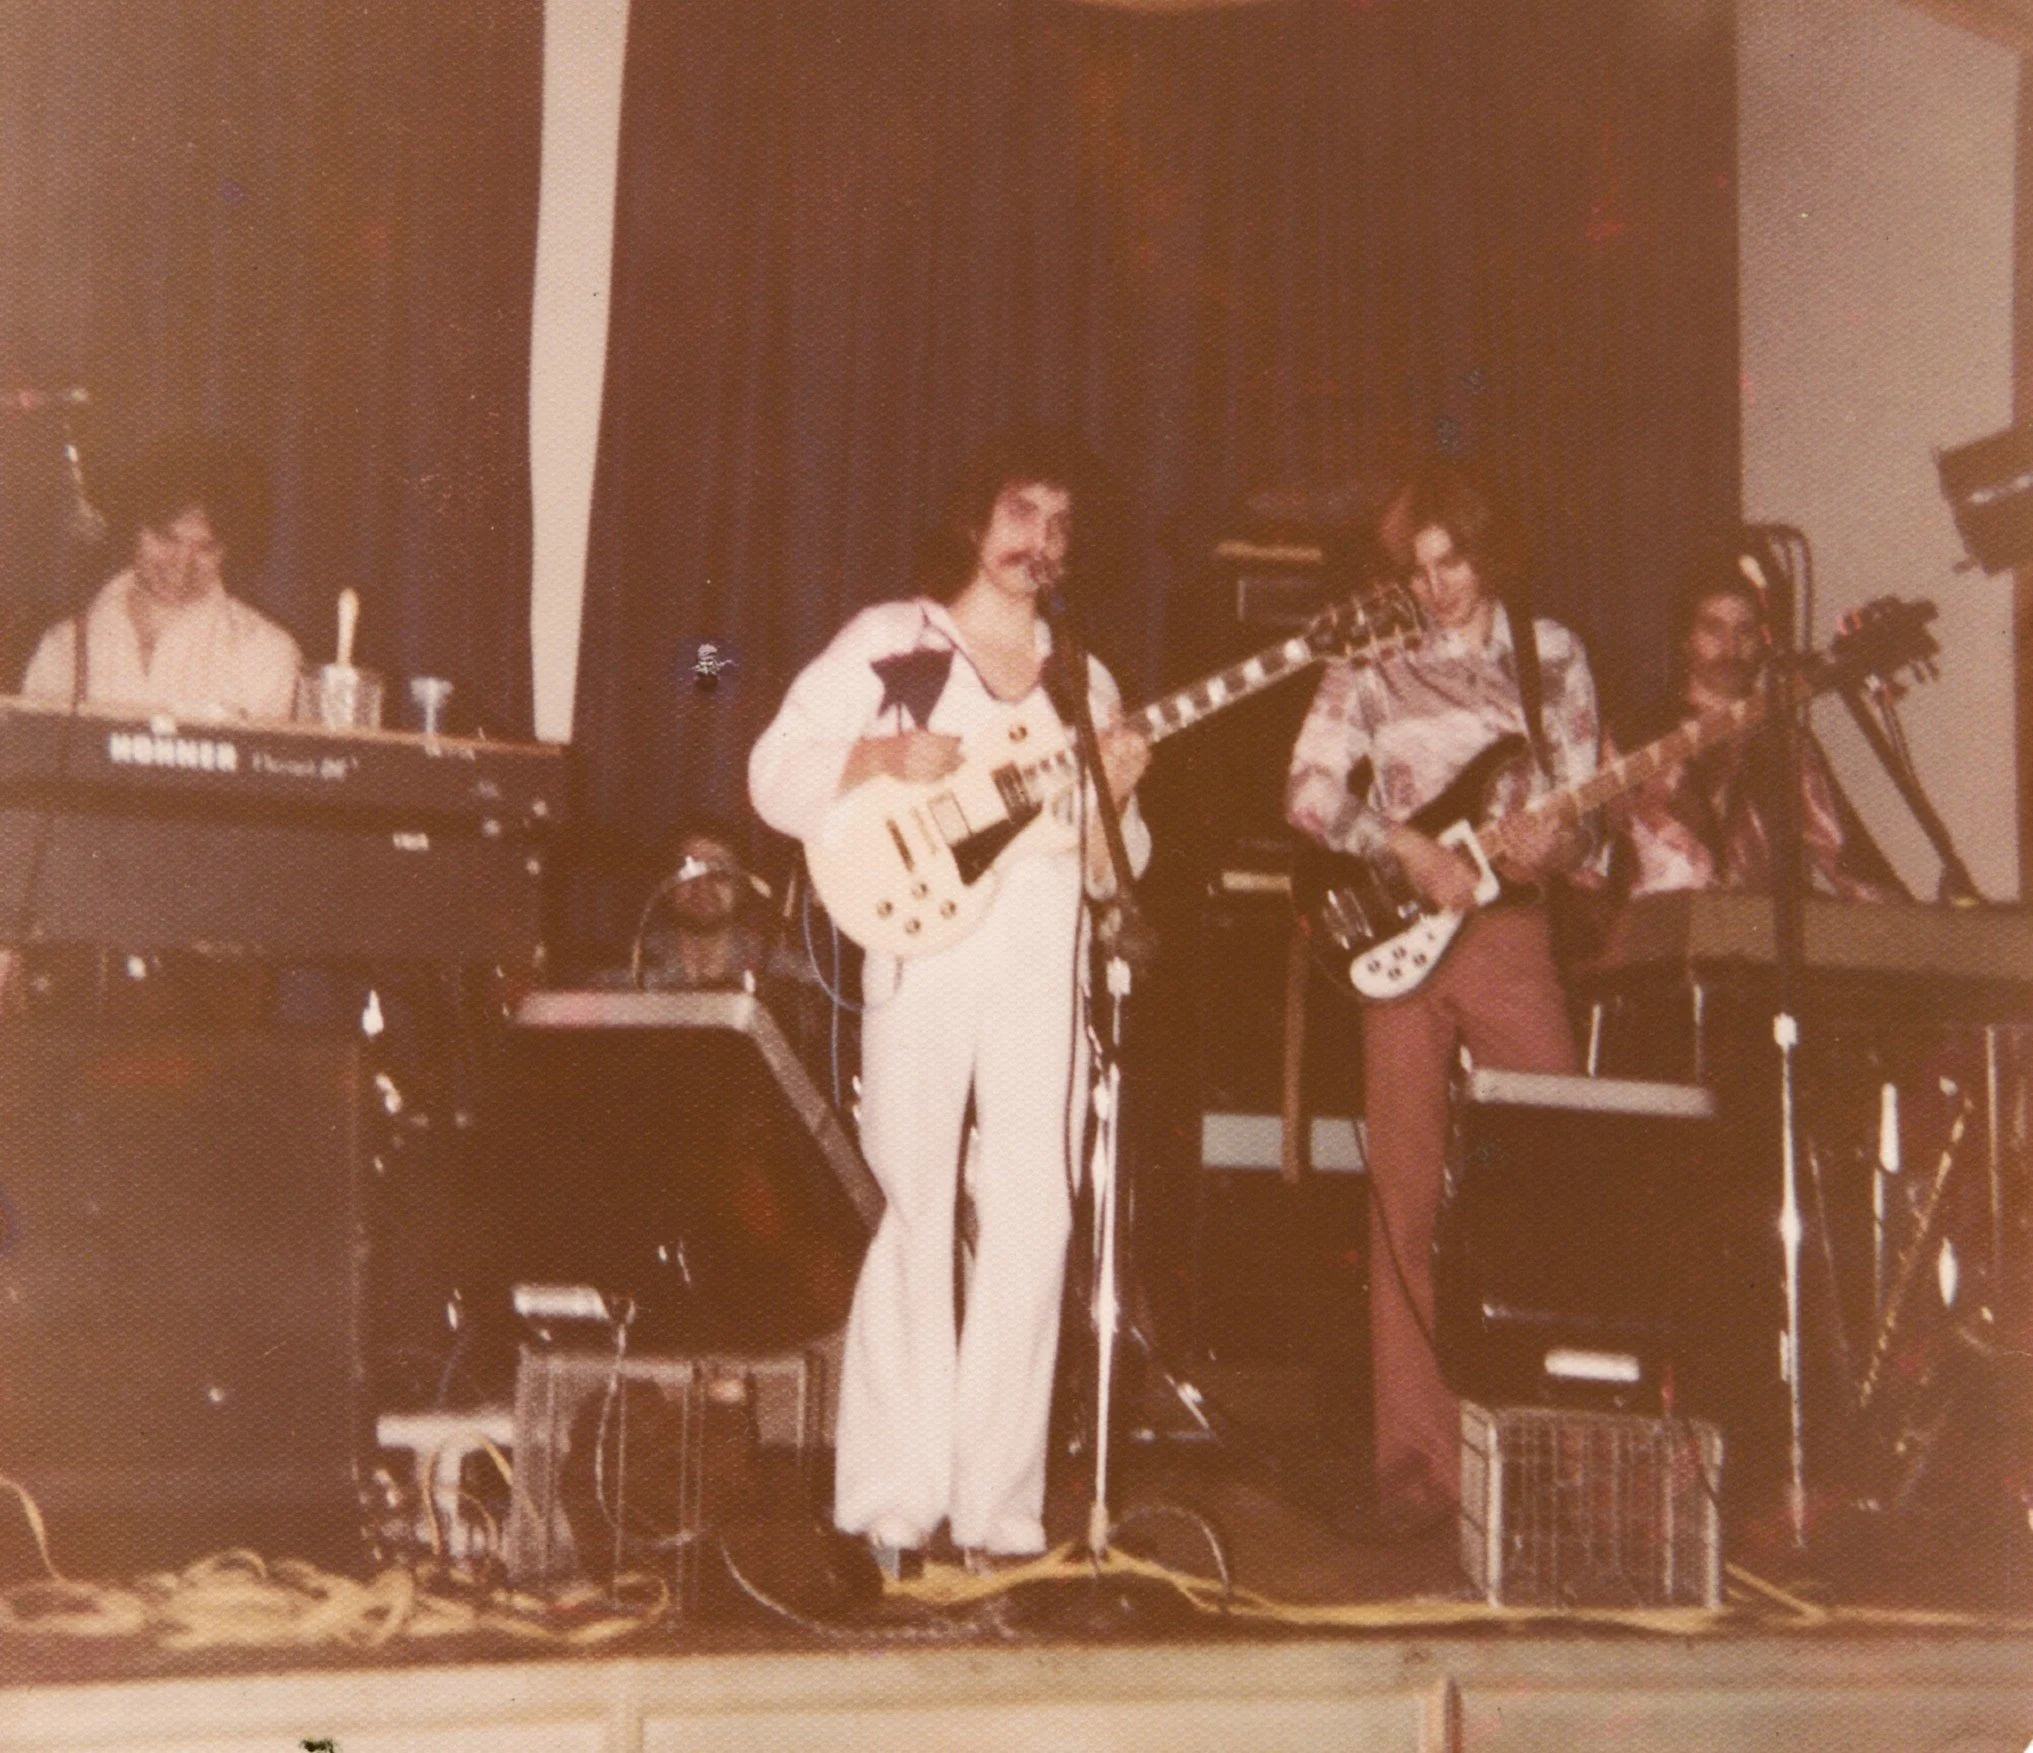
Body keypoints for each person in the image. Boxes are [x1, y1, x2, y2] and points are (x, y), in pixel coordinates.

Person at [748, 422, 1151, 1572]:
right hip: (917, 941)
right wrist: (872, 761)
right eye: (1022, 511)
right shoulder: (892, 639)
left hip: (1040, 948)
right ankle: (892, 1494)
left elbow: (1115, 869)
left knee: (1037, 1208)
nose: (1042, 539)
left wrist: (1122, 798)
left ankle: (997, 1506)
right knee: (903, 1199)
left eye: (1061, 522)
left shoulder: (1084, 678)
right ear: (976, 518)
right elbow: (772, 771)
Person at [1286, 461, 1600, 1540]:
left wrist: (1563, 839)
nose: (1435, 586)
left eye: (1451, 561)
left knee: (1556, 1177)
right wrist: (1403, 846)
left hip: (1511, 933)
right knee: (1403, 1202)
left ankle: (1559, 1459)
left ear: (1487, 550)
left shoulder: (1550, 653)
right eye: (1416, 568)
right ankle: (1417, 1471)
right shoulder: (1372, 657)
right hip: (1404, 939)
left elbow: (1587, 815)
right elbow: (1307, 789)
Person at [1601, 555, 1907, 903]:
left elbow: (1847, 858)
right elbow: (1595, 856)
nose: (1731, 647)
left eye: (1745, 631)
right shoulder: (1634, 733)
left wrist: (1911, 924)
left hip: (1754, 931)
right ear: (1686, 640)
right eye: (1714, 629)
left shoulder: (1784, 743)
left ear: (1763, 643)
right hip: (1653, 928)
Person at [21, 430, 300, 719]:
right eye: (167, 538)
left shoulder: (264, 653)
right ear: (132, 529)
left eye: (206, 548)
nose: (182, 565)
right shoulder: (63, 647)